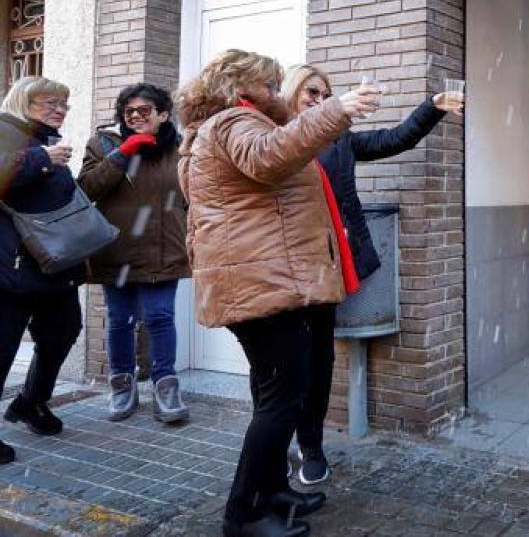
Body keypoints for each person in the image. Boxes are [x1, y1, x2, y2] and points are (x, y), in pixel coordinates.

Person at [177, 49, 381, 537]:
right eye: (269, 84)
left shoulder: (231, 126)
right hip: (259, 287)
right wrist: (337, 110)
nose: (276, 92)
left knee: (280, 394)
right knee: (281, 400)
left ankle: (272, 491)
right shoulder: (233, 123)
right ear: (239, 86)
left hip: (264, 283)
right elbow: (271, 159)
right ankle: (242, 514)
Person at [280, 65, 462, 485]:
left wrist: (430, 109)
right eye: (311, 92)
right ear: (291, 92)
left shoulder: (337, 139)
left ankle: (311, 446)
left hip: (325, 266)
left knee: (319, 361)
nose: (319, 99)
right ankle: (273, 444)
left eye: (326, 94)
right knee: (282, 363)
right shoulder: (274, 138)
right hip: (282, 268)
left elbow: (390, 140)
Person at [79, 83, 190, 424]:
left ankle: (165, 386)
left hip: (164, 247)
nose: (136, 117)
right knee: (120, 321)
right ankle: (123, 385)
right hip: (118, 249)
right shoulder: (104, 144)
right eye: (130, 112)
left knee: (159, 318)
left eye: (145, 111)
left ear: (163, 114)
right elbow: (86, 189)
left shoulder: (180, 147)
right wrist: (123, 152)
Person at [0, 77, 85, 466]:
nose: (59, 109)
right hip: (11, 268)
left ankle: (31, 401)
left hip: (53, 265)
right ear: (24, 102)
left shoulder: (44, 140)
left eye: (64, 104)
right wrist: (41, 160)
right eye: (50, 102)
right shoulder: (5, 130)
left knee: (63, 331)